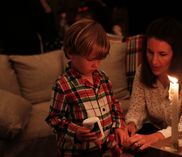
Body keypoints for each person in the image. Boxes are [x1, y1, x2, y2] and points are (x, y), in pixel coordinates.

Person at [45, 18, 128, 157]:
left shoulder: (103, 78)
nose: (96, 65)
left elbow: (114, 105)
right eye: (90, 59)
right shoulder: (63, 85)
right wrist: (76, 131)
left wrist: (119, 126)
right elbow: (54, 119)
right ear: (71, 53)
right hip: (80, 151)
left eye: (99, 59)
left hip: (107, 146)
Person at [124, 17, 182, 156]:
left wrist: (154, 138)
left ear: (175, 53)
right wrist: (131, 125)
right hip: (156, 135)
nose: (154, 61)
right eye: (150, 52)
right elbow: (136, 109)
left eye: (162, 54)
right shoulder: (142, 71)